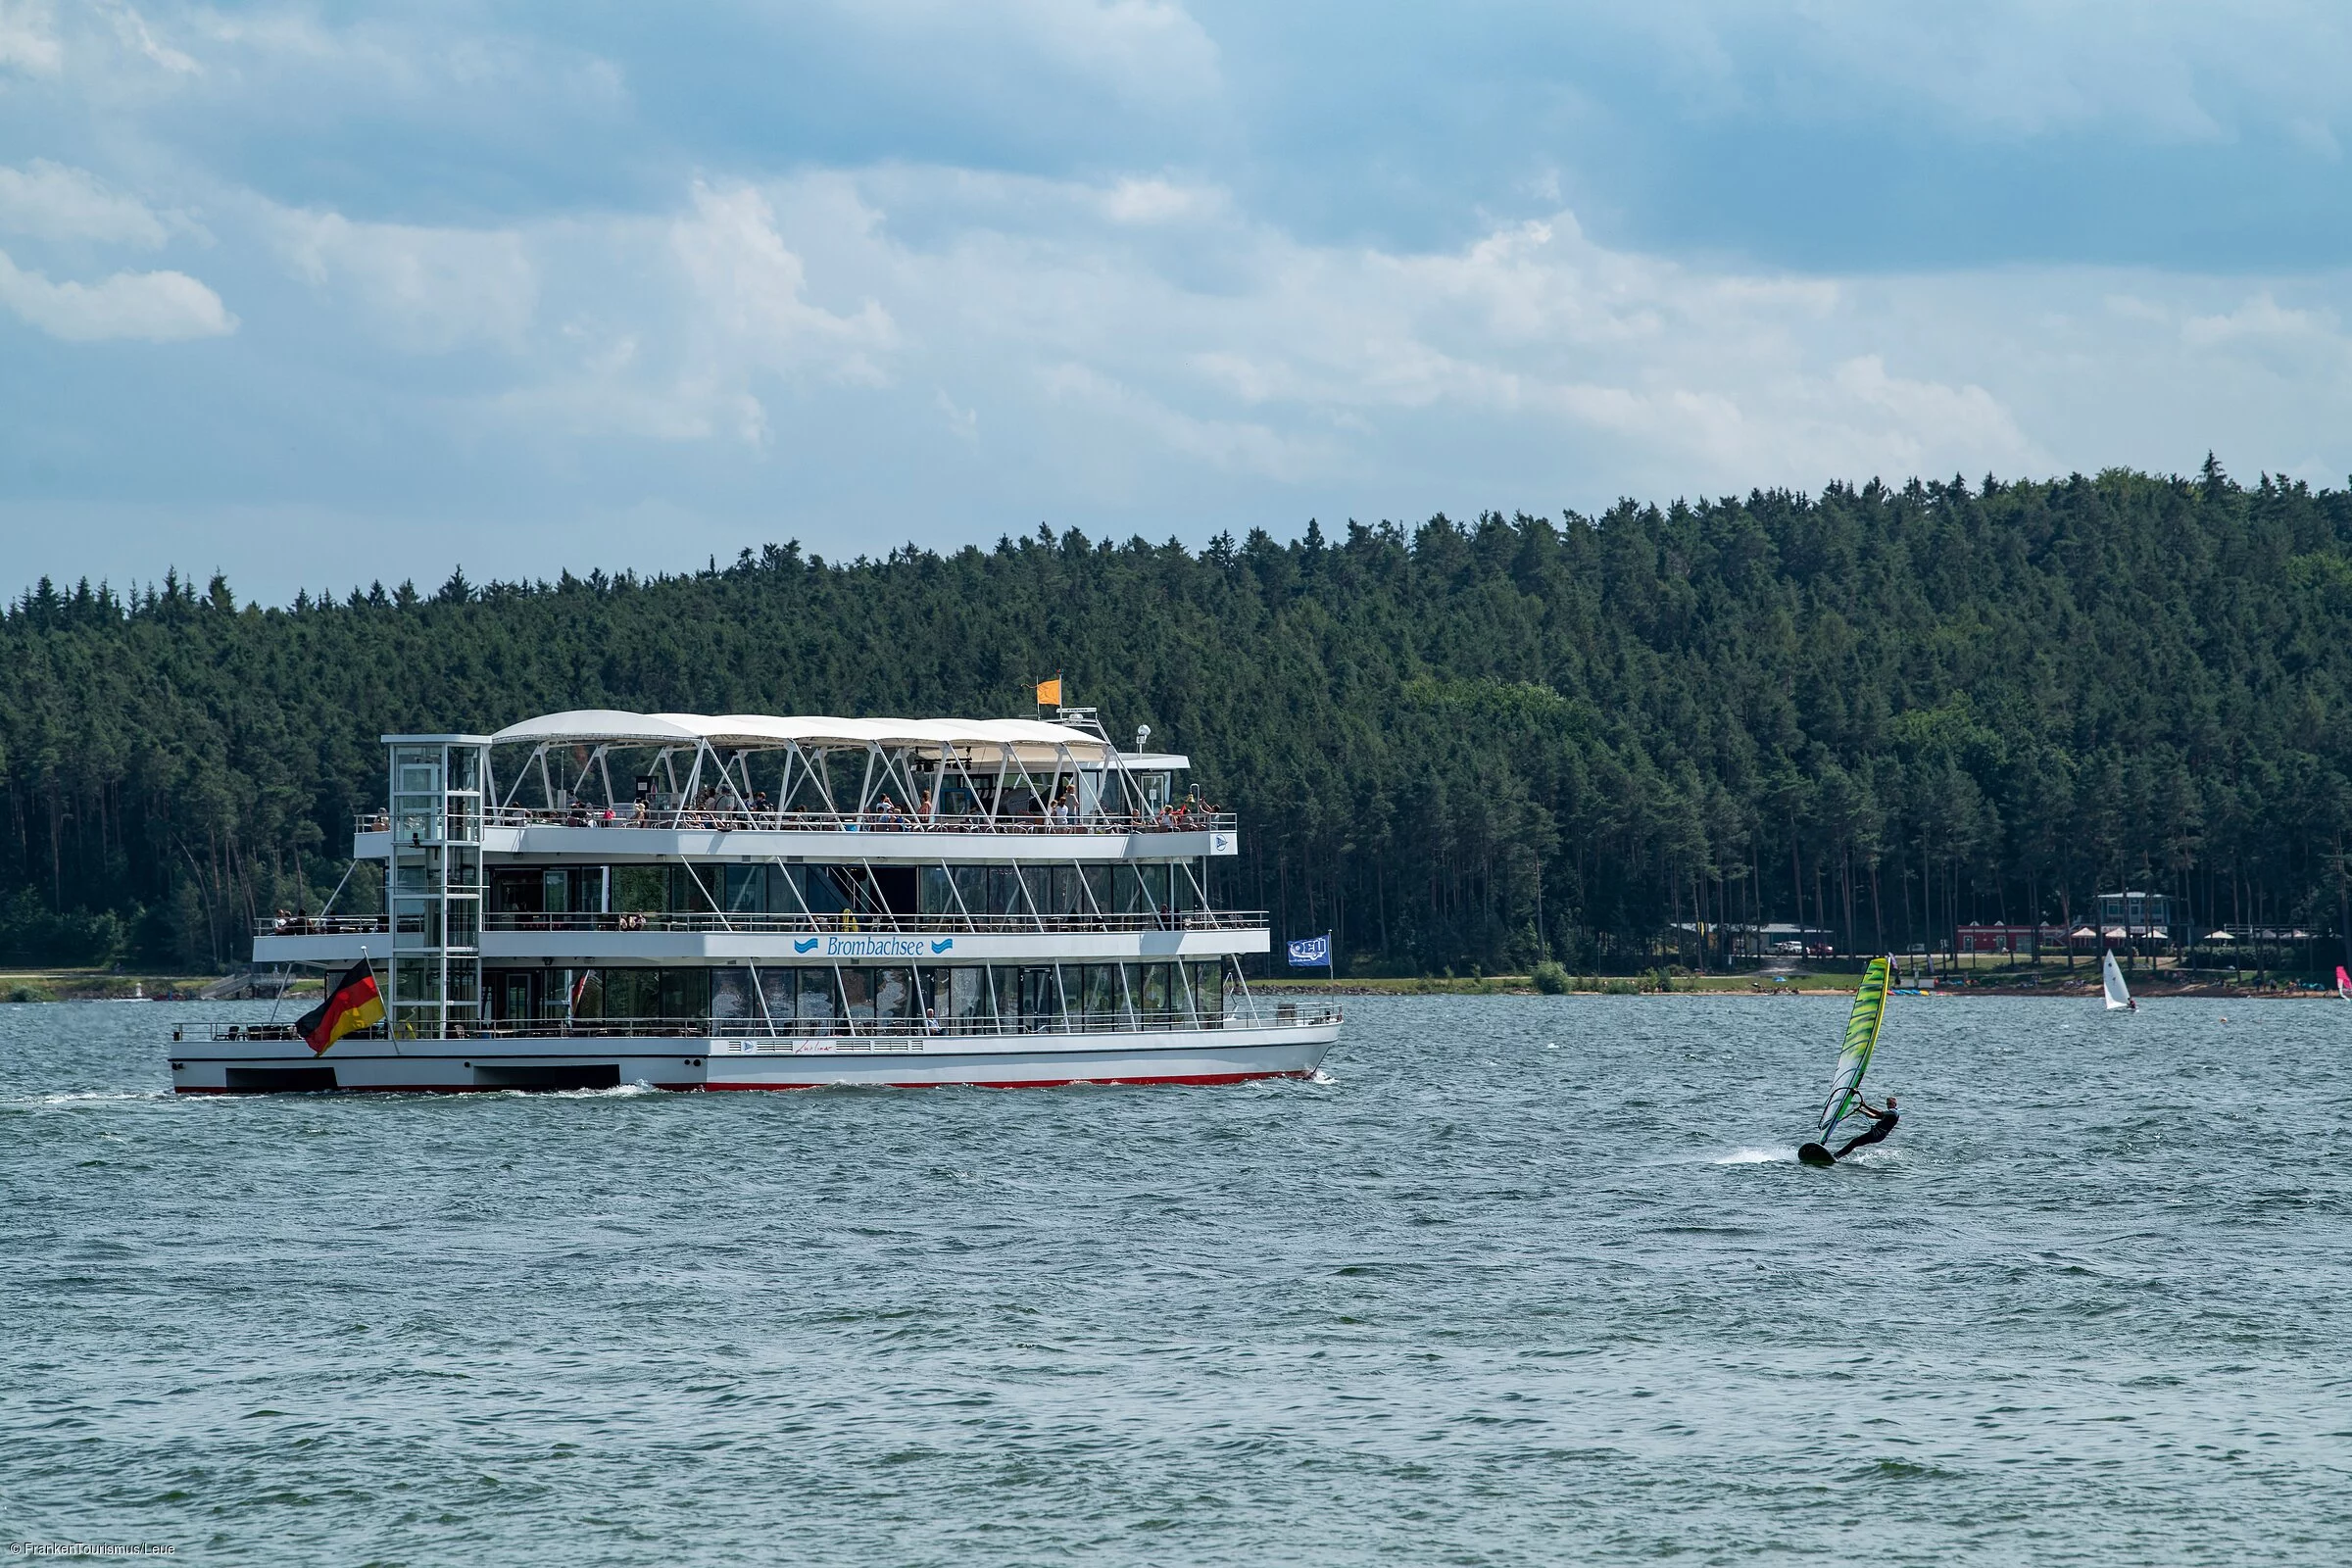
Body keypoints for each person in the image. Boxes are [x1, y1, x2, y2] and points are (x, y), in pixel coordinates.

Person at [1835, 1093, 1899, 1159]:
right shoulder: (1888, 1114)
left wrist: (1865, 1106)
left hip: (1877, 1134)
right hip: (1877, 1135)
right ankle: (1838, 1155)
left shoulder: (1894, 1112)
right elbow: (1874, 1116)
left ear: (1895, 1104)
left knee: (1854, 1142)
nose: (1888, 1105)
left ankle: (1837, 1155)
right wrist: (1861, 1111)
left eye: (1890, 1103)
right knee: (1855, 1143)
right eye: (1887, 1104)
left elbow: (1878, 1112)